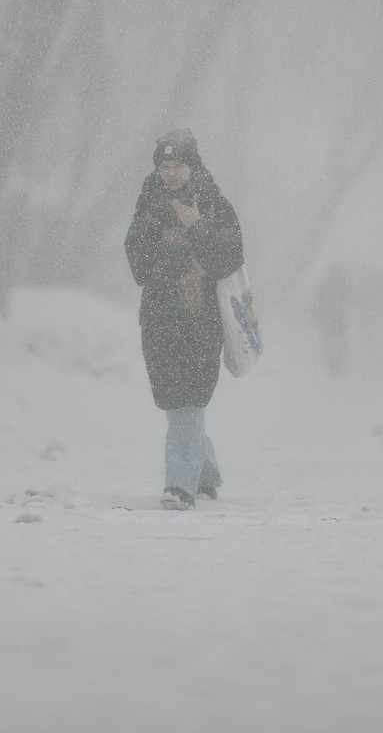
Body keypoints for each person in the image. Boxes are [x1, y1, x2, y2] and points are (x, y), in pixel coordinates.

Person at [125, 129, 244, 510]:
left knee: (189, 396)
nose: (171, 173)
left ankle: (180, 486)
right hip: (161, 317)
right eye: (165, 166)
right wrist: (175, 260)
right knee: (175, 399)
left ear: (192, 167)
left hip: (200, 318)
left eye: (178, 165)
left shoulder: (215, 204)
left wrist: (197, 226)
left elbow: (228, 259)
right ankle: (204, 473)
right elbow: (139, 263)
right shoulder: (149, 205)